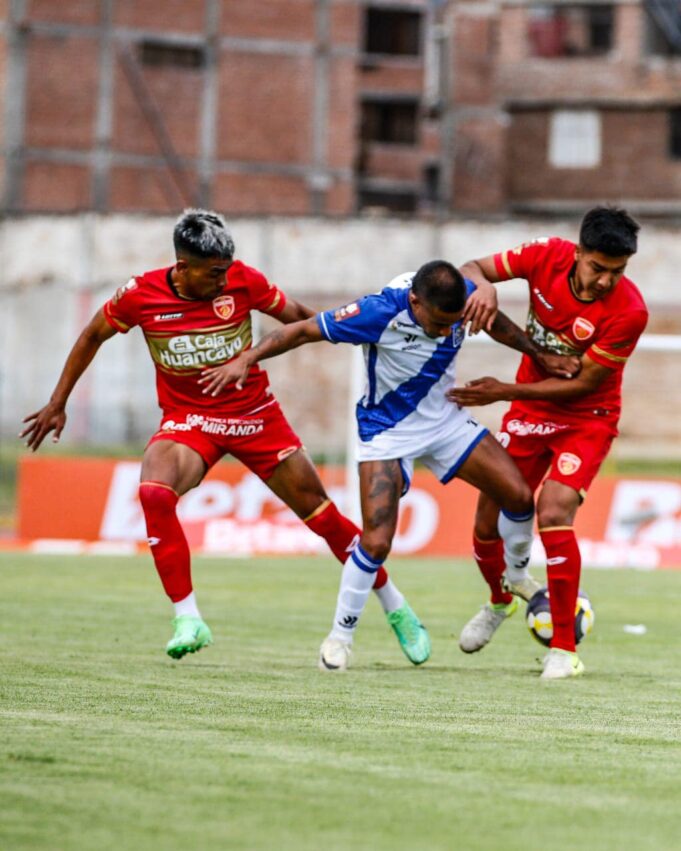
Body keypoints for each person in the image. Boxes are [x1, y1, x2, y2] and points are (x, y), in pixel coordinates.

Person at [20, 209, 430, 665]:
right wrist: (58, 402)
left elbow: (295, 316)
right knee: (154, 494)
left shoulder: (243, 281)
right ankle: (187, 618)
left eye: (226, 271)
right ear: (182, 268)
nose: (223, 280)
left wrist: (353, 333)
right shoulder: (139, 295)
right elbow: (91, 335)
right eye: (214, 273)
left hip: (255, 416)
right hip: (189, 420)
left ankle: (397, 608)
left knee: (323, 518)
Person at [201, 260, 578, 671]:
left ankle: (517, 578)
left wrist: (539, 354)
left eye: (449, 325)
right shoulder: (377, 312)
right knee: (377, 541)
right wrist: (248, 359)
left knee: (520, 495)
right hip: (386, 431)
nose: (441, 331)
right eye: (435, 323)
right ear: (415, 301)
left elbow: (492, 323)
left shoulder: (461, 297)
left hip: (445, 420)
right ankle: (340, 637)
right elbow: (301, 331)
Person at [449, 206, 648, 680]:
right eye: (597, 268)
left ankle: (564, 649)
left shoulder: (630, 311)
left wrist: (502, 390)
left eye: (616, 272)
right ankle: (500, 602)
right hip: (530, 412)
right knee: (487, 518)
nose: (604, 281)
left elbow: (582, 386)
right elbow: (469, 269)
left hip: (587, 418)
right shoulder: (544, 256)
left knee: (554, 510)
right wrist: (486, 288)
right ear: (577, 253)